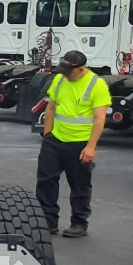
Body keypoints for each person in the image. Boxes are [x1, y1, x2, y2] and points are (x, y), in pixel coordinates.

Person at [35, 49, 111, 238]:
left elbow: (99, 118)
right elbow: (51, 107)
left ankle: (79, 223)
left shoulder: (96, 84)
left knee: (80, 185)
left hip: (80, 143)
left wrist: (91, 147)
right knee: (46, 180)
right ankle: (48, 220)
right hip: (55, 140)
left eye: (68, 71)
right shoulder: (60, 79)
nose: (65, 74)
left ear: (80, 68)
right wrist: (47, 135)